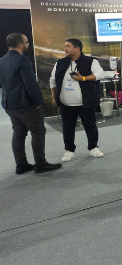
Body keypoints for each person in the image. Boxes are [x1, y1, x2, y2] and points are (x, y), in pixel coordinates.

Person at [0, 33, 61, 174]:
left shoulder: (1, 60)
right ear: (20, 44)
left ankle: (21, 165)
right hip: (25, 104)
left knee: (18, 133)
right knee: (38, 132)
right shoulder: (23, 60)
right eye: (27, 42)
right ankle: (41, 164)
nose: (28, 44)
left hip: (9, 104)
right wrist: (38, 102)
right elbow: (30, 84)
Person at [50, 38, 105, 162]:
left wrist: (83, 78)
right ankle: (69, 150)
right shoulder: (60, 63)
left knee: (90, 126)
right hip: (65, 104)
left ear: (77, 48)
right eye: (65, 46)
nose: (65, 49)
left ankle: (93, 147)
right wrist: (54, 97)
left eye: (68, 46)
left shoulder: (91, 61)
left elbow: (100, 74)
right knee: (67, 128)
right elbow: (52, 80)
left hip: (86, 102)